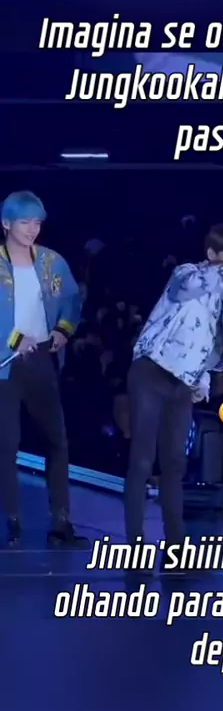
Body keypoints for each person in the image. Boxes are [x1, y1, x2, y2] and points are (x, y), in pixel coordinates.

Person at [124, 223, 223, 559]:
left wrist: (201, 382)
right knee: (143, 460)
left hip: (182, 384)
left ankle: (176, 544)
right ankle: (135, 542)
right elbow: (192, 288)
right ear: (212, 254)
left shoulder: (220, 299)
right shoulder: (187, 273)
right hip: (152, 371)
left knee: (175, 463)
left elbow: (207, 344)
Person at [0, 191, 87, 548]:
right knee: (7, 444)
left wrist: (63, 330)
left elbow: (71, 301)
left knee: (57, 440)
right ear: (6, 223)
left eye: (37, 222)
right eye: (25, 222)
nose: (32, 229)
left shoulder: (51, 262)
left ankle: (61, 523)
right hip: (4, 366)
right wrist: (13, 338)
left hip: (40, 359)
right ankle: (11, 522)